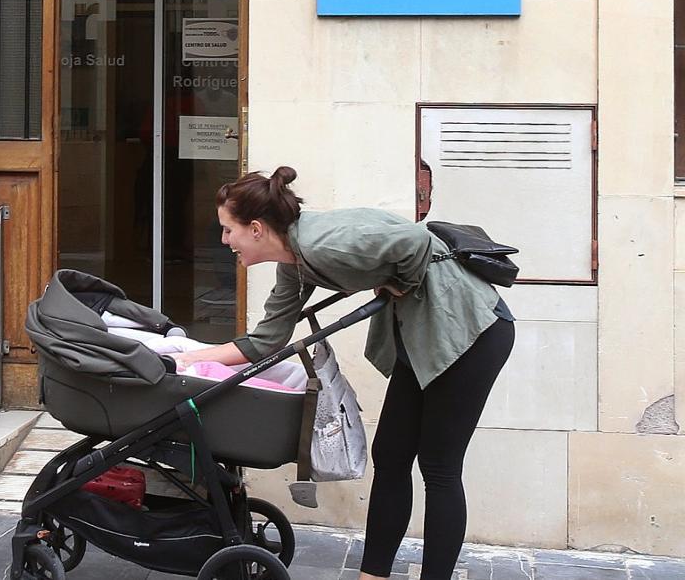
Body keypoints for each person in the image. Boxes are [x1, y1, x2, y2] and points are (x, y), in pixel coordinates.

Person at [167, 167, 515, 580]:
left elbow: (414, 239)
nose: (225, 241)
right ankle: (373, 575)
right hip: (423, 341)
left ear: (256, 228)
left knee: (439, 466)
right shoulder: (294, 264)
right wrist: (192, 358)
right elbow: (266, 341)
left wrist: (398, 279)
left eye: (228, 230)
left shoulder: (322, 243)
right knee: (390, 457)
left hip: (470, 334)